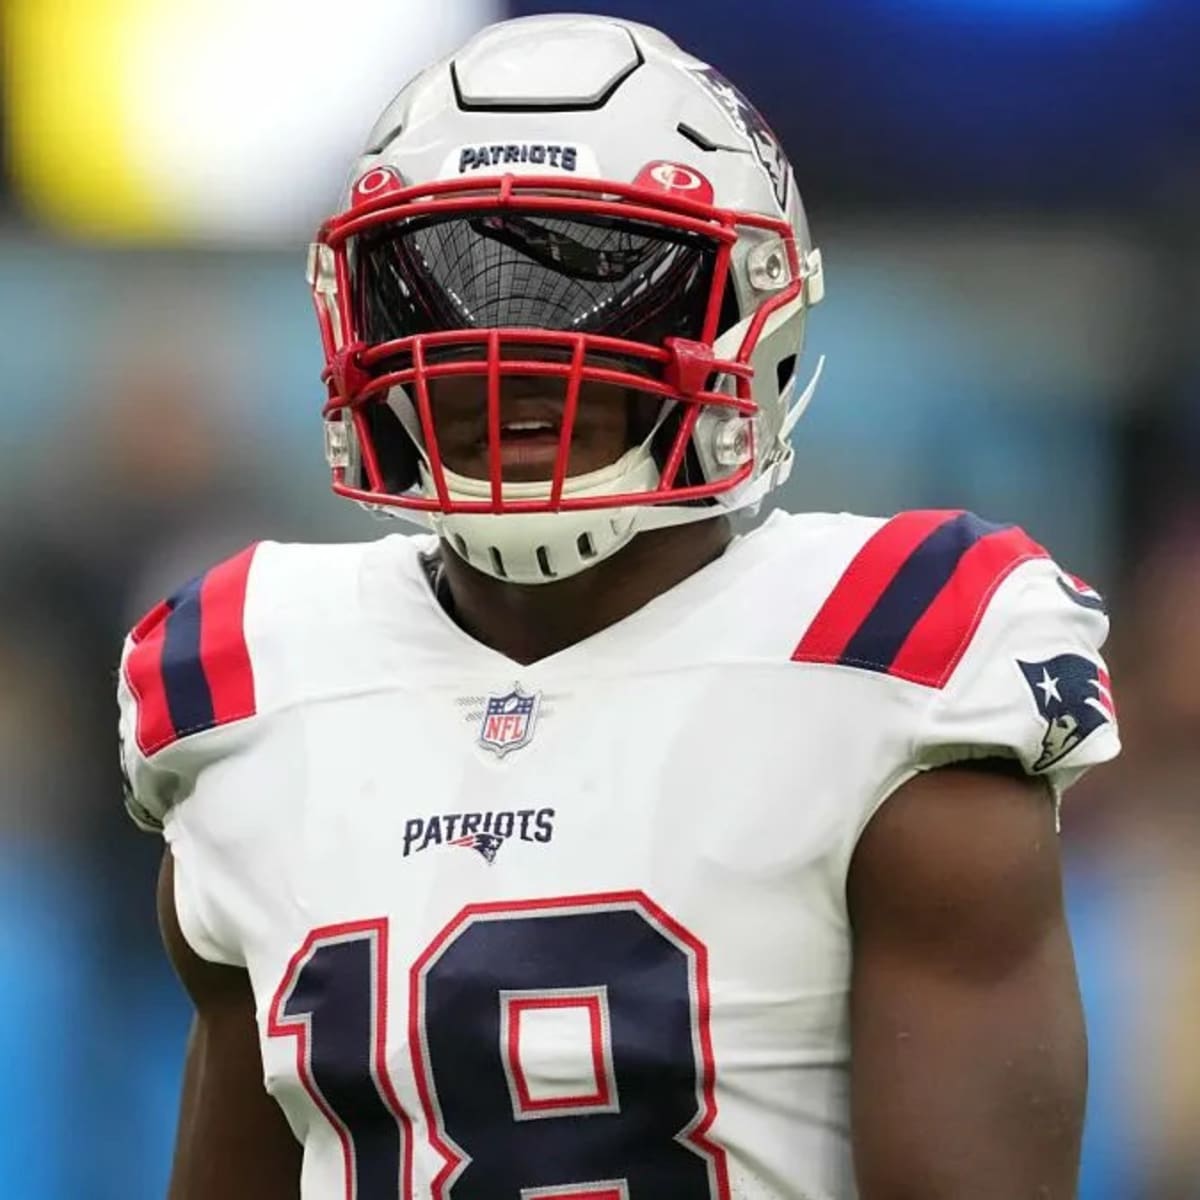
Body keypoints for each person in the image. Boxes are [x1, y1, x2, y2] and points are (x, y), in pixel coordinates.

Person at [117, 14, 1121, 1200]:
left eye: (599, 285)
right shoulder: (250, 673)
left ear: (755, 310)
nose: (516, 351)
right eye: (445, 292)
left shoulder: (892, 661)